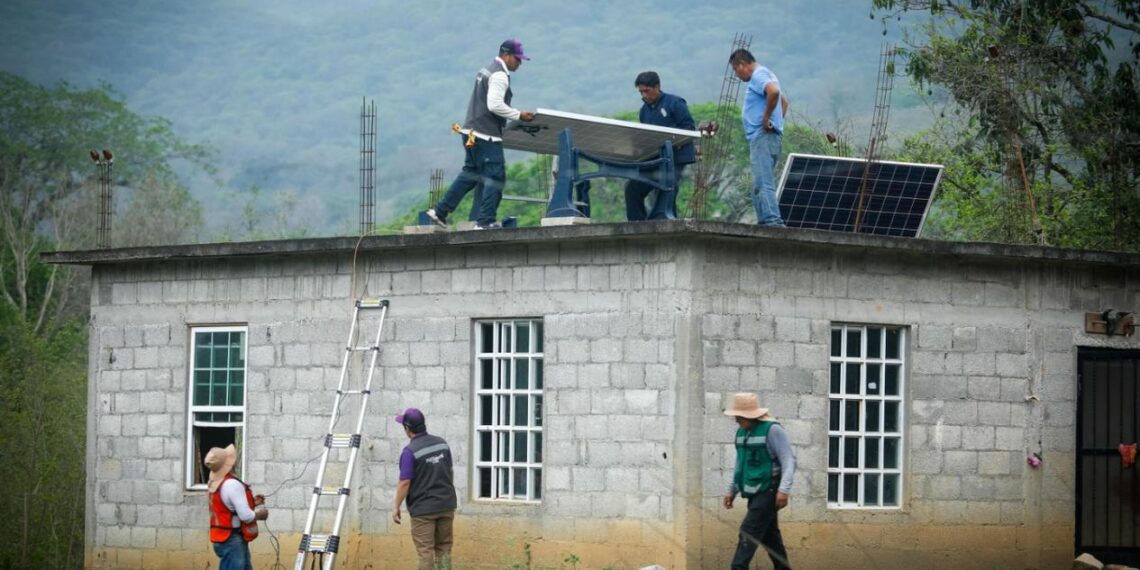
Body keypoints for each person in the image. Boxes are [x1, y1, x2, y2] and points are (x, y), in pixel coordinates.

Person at [426, 40, 536, 230]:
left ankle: (439, 211)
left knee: (471, 174)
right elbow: (494, 105)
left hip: (470, 131)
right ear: (507, 55)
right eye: (518, 59)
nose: (520, 63)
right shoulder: (500, 75)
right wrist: (519, 115)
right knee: (496, 176)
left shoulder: (486, 70)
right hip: (486, 135)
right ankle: (484, 222)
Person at [722, 392, 796, 570]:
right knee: (771, 538)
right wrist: (732, 490)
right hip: (754, 492)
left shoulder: (773, 430)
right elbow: (740, 464)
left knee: (748, 534)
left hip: (769, 490)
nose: (736, 420)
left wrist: (784, 490)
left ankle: (738, 567)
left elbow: (789, 460)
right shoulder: (742, 433)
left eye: (739, 417)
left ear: (750, 415)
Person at [624, 71, 697, 221]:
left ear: (657, 87)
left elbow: (688, 128)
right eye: (641, 92)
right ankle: (636, 223)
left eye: (647, 91)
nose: (644, 95)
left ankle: (665, 219)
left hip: (675, 158)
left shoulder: (675, 103)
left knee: (667, 184)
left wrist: (674, 143)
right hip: (654, 158)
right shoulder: (644, 111)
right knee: (633, 187)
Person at [392, 407, 457, 570]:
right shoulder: (442, 444)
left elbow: (404, 482)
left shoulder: (409, 452)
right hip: (446, 505)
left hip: (423, 511)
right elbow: (450, 472)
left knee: (425, 552)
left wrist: (396, 507)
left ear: (407, 429)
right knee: (444, 549)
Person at [730, 49, 790, 227]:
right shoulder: (766, 74)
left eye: (735, 69)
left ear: (742, 64)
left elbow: (774, 92)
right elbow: (783, 103)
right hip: (766, 137)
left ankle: (772, 221)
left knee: (763, 181)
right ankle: (766, 220)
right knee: (760, 181)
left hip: (763, 137)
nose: (736, 74)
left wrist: (766, 119)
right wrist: (775, 121)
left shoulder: (758, 75)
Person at [205, 444, 268, 570]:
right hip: (232, 539)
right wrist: (260, 515)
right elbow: (245, 516)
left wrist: (252, 502)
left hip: (221, 536)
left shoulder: (216, 483)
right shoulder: (232, 484)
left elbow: (225, 506)